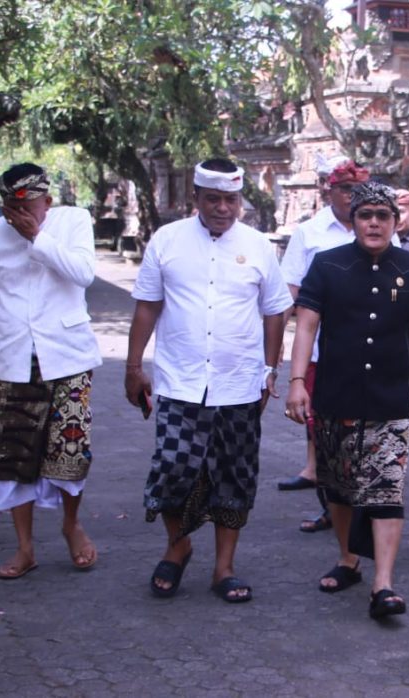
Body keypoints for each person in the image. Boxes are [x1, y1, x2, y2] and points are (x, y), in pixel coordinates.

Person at [127, 158, 292, 603]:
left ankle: (224, 568)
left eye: (231, 200)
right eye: (213, 199)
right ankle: (178, 546)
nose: (223, 208)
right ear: (194, 198)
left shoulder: (258, 245)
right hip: (179, 382)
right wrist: (133, 365)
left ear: (241, 200)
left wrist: (269, 368)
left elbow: (276, 309)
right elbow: (147, 304)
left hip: (239, 384)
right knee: (172, 468)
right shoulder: (167, 240)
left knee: (234, 475)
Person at [286, 181, 409, 621]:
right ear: (352, 220)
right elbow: (306, 326)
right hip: (336, 393)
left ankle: (385, 584)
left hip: (391, 398)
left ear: (395, 222)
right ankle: (348, 559)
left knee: (386, 486)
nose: (374, 223)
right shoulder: (327, 264)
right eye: (365, 215)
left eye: (383, 215)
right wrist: (298, 380)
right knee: (338, 484)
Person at [0, 163, 102, 579]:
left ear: (47, 200)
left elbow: (83, 274)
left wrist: (38, 237)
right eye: (11, 207)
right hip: (15, 358)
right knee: (13, 454)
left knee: (69, 451)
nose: (18, 215)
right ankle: (25, 548)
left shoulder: (73, 221)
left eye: (28, 206)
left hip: (69, 356)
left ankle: (71, 525)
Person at [277, 158, 368, 535]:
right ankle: (331, 508)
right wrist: (273, 356)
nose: (353, 197)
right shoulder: (309, 233)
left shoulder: (379, 226)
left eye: (359, 189)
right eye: (346, 189)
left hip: (371, 351)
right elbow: (290, 291)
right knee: (324, 429)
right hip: (322, 350)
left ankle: (364, 510)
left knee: (366, 430)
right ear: (328, 191)